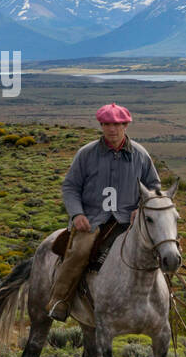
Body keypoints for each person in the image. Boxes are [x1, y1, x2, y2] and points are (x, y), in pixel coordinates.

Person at [48, 102, 162, 321]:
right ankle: (60, 301)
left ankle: (164, 302)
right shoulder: (87, 154)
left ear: (126, 125)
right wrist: (77, 214)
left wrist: (140, 209)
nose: (113, 129)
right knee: (79, 252)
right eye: (107, 124)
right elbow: (70, 186)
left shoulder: (140, 155)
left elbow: (154, 187)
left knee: (160, 250)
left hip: (129, 220)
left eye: (118, 124)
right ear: (101, 125)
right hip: (92, 219)